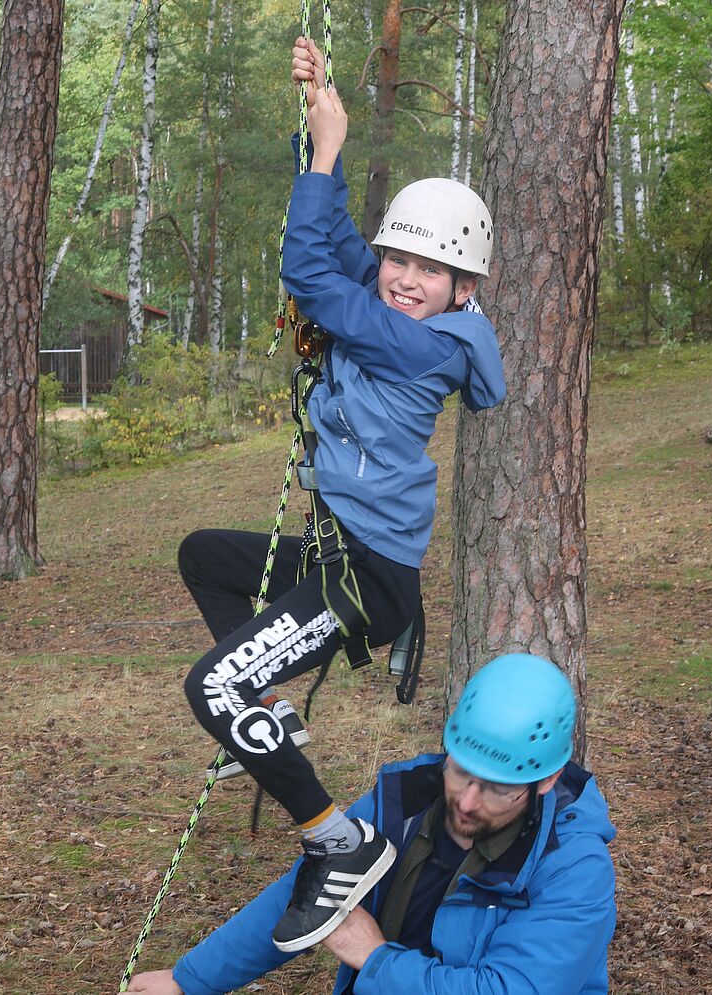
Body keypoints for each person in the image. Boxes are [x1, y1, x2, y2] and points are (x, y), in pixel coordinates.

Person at [179, 37, 507, 952]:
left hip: (368, 579)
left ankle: (338, 838)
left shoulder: (428, 346)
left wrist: (329, 158)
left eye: (428, 271)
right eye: (396, 258)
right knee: (204, 553)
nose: (404, 278)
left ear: (463, 290)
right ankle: (269, 703)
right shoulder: (397, 305)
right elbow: (327, 246)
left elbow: (311, 278)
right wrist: (322, 116)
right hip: (335, 556)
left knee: (212, 685)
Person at [128, 654, 617, 995]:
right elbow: (306, 891)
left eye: (495, 788)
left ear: (546, 779)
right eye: (461, 771)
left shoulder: (571, 867)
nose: (466, 803)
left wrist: (375, 959)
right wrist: (189, 979)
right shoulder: (402, 801)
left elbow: (513, 990)